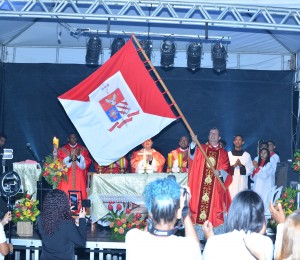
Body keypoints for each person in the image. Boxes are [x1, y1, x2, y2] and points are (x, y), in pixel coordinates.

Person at [125, 177, 202, 260]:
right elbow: (195, 245)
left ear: (151, 212)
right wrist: (185, 210)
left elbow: (146, 233)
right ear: (179, 213)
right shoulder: (188, 248)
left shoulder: (133, 237)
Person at [202, 190, 273, 260]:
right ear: (261, 217)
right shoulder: (267, 243)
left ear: (232, 213)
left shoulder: (214, 243)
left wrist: (211, 241)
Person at [188, 127, 232, 227]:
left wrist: (220, 172)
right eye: (211, 133)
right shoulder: (201, 148)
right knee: (198, 208)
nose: (212, 135)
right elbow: (192, 158)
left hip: (215, 188)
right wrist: (194, 144)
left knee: (213, 209)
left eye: (215, 134)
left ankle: (212, 231)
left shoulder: (223, 153)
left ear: (219, 137)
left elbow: (228, 171)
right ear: (208, 136)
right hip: (200, 187)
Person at [37, 189, 87, 260]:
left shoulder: (40, 219)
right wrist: (82, 219)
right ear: (63, 204)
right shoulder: (66, 223)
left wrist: (66, 213)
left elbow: (56, 225)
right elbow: (81, 242)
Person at [57, 133, 92, 200]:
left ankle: (79, 209)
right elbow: (60, 164)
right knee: (65, 193)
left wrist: (79, 156)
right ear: (68, 139)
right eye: (72, 138)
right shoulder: (62, 150)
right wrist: (69, 156)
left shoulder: (83, 149)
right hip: (67, 178)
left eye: (75, 138)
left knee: (79, 194)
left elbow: (85, 165)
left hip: (79, 178)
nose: (74, 139)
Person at [228, 135, 254, 199]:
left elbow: (250, 169)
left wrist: (241, 166)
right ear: (234, 142)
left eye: (240, 140)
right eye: (236, 140)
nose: (238, 141)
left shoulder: (247, 155)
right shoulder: (228, 154)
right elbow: (225, 169)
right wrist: (234, 166)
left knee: (241, 199)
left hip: (242, 182)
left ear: (243, 142)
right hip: (231, 183)